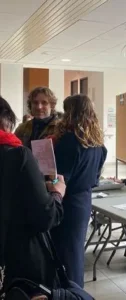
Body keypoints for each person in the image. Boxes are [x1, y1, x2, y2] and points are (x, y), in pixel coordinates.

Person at [0, 96, 65, 291]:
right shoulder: (17, 153)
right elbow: (46, 216)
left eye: (44, 102)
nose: (39, 107)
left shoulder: (58, 130)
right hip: (17, 259)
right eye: (35, 102)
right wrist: (57, 194)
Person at [50, 94, 107, 288]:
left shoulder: (68, 142)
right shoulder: (98, 144)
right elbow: (96, 177)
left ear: (71, 112)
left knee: (63, 254)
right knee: (75, 253)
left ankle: (69, 293)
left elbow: (60, 177)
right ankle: (76, 291)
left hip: (66, 201)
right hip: (84, 201)